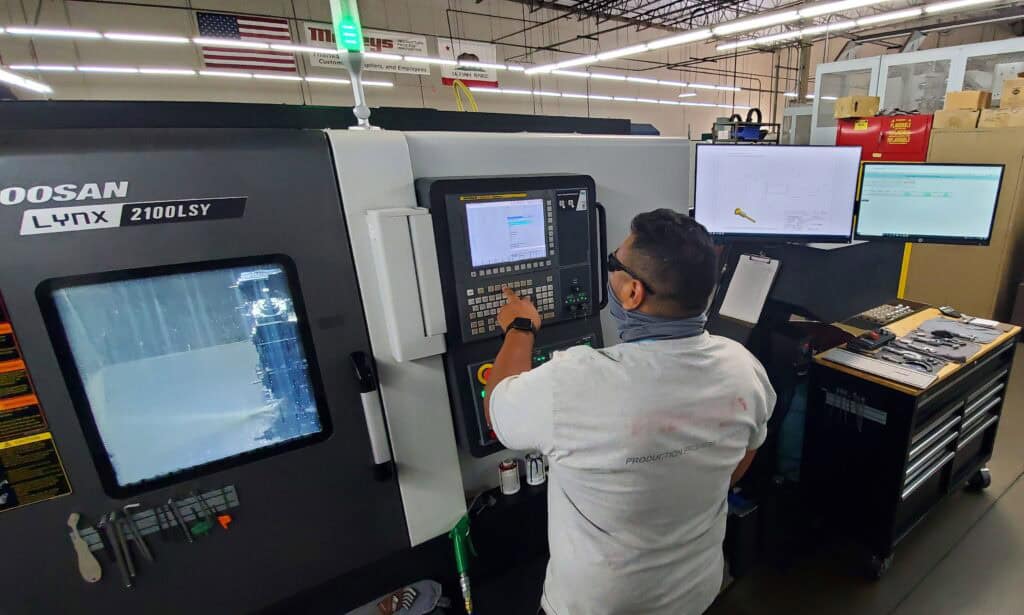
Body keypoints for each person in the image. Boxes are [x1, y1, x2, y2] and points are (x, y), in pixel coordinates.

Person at [483, 209, 776, 615]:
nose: (610, 272)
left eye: (612, 264)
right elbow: (742, 457)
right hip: (696, 595)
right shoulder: (744, 368)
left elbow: (499, 412)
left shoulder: (574, 381)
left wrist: (520, 328)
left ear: (633, 293)